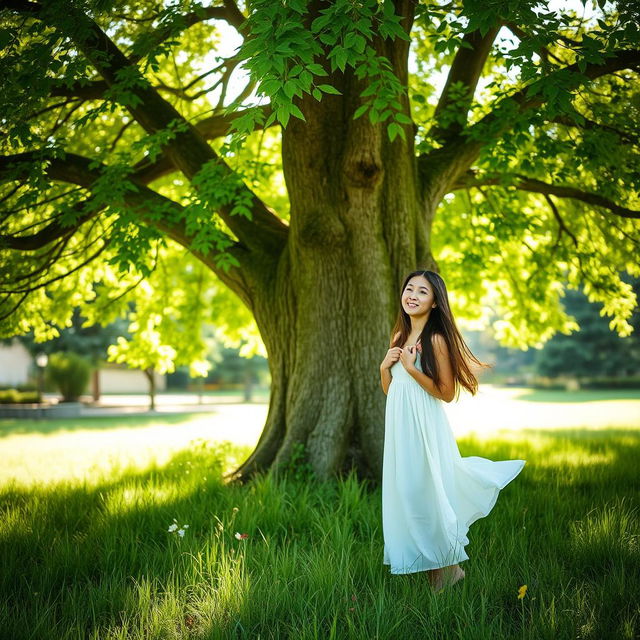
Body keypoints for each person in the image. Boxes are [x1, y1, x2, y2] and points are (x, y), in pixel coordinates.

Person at [379, 269, 526, 593]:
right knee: (410, 495)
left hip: (425, 428)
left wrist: (410, 369)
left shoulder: (435, 340)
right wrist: (384, 368)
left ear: (434, 303)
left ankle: (447, 570)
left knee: (429, 492)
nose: (413, 295)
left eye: (422, 292)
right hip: (400, 429)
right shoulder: (398, 338)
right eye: (409, 289)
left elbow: (446, 392)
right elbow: (392, 392)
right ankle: (441, 569)